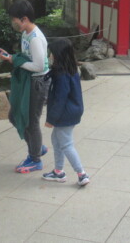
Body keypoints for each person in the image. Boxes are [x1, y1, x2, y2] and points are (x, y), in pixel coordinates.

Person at [0, 0, 49, 173]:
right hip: (28, 80)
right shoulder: (25, 33)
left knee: (31, 121)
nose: (13, 23)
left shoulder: (35, 38)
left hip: (37, 83)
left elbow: (39, 66)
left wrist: (15, 61)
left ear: (24, 19)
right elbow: (27, 57)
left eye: (15, 20)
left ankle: (35, 159)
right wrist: (11, 57)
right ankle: (37, 147)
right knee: (14, 116)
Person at [42, 38, 90, 186]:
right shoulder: (70, 69)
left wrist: (51, 119)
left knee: (66, 144)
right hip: (73, 110)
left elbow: (60, 99)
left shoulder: (61, 74)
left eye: (52, 53)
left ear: (58, 55)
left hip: (65, 113)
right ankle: (58, 171)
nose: (50, 55)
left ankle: (82, 174)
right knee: (56, 140)